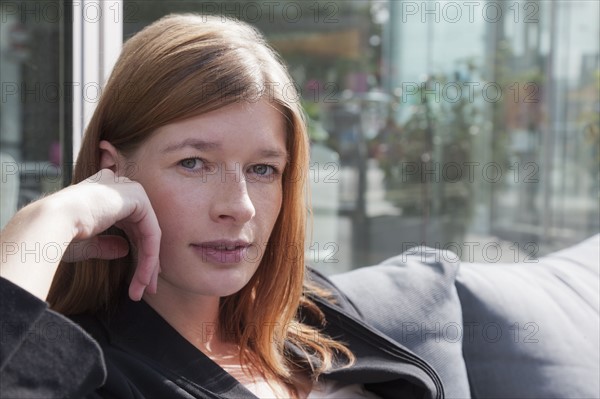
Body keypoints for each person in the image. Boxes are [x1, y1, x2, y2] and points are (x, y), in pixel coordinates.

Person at [0, 14, 443, 398]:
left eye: (263, 169)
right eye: (194, 163)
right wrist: (42, 224)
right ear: (113, 174)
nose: (240, 206)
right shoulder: (88, 371)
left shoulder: (310, 310)